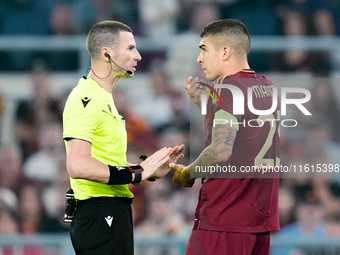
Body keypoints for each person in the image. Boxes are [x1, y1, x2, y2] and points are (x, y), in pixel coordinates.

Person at [62, 20, 184, 255]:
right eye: (130, 48)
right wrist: (137, 173)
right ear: (106, 54)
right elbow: (77, 165)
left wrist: (146, 169)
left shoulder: (104, 98)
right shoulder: (85, 98)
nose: (138, 55)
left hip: (110, 211)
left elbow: (102, 160)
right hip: (99, 212)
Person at [171, 19, 280, 255]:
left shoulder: (225, 89)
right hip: (258, 220)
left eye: (204, 50)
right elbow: (245, 132)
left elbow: (221, 149)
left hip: (225, 218)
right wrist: (205, 104)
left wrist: (188, 173)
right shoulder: (267, 87)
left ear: (225, 52)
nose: (199, 59)